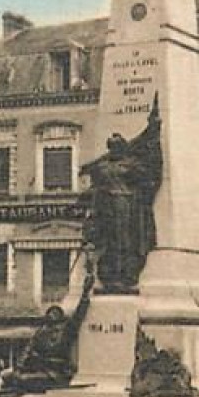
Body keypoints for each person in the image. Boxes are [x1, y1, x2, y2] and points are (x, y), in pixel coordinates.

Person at [80, 101, 162, 292]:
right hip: (107, 207)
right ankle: (112, 275)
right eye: (112, 147)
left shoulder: (131, 165)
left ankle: (125, 274)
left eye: (117, 147)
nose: (113, 150)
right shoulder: (103, 167)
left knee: (125, 240)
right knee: (109, 241)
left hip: (126, 206)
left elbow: (149, 178)